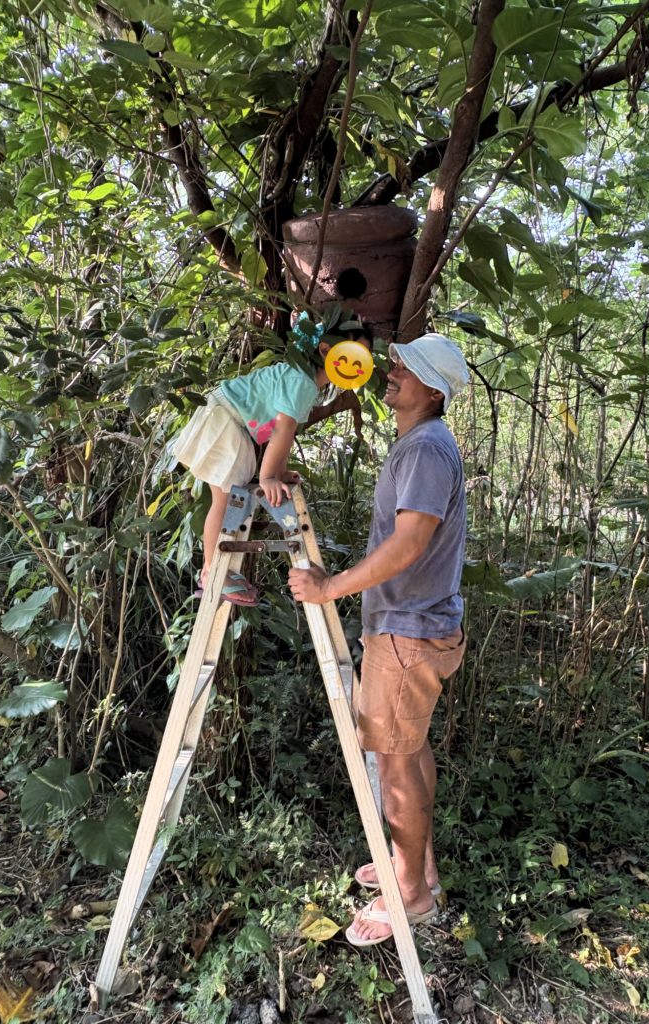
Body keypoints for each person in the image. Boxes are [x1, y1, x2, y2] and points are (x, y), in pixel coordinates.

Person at [288, 333, 468, 946]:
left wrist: (330, 587)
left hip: (407, 633)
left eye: (405, 367)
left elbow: (410, 542)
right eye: (393, 361)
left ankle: (410, 895)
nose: (390, 371)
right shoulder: (423, 444)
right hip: (413, 629)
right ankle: (418, 869)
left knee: (393, 763)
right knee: (408, 752)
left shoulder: (426, 448)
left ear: (434, 391)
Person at [174, 325, 373, 604]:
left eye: (365, 354)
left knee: (226, 499)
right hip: (223, 420)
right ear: (325, 349)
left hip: (228, 419)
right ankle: (211, 573)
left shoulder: (305, 380)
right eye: (353, 351)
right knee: (223, 500)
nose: (358, 360)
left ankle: (213, 570)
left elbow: (286, 433)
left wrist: (278, 473)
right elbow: (281, 431)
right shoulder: (302, 381)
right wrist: (268, 478)